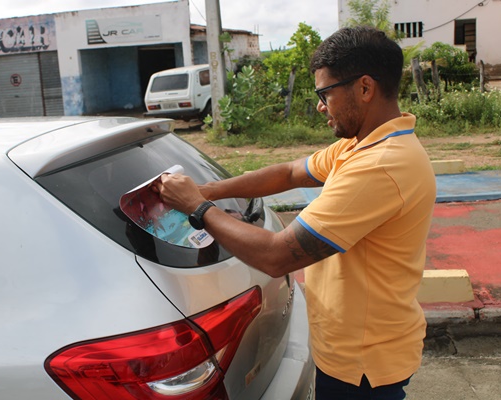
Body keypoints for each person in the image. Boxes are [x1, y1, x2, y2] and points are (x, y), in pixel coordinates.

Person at [155, 26, 436, 400]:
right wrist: (210, 190)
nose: (321, 105)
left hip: (363, 362)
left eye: (325, 93)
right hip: (353, 347)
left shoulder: (380, 166)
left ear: (365, 88)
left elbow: (277, 255)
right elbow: (289, 172)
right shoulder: (363, 145)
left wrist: (198, 207)